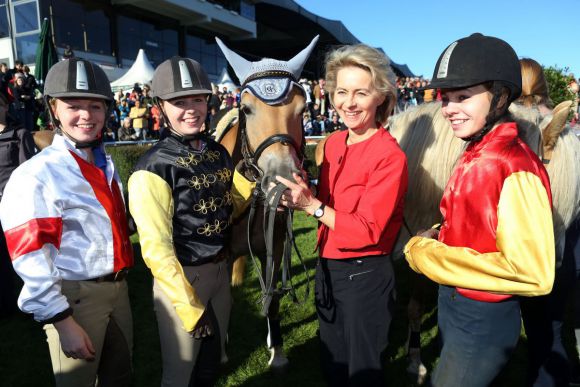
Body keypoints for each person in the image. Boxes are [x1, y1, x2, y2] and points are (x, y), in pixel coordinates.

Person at [404, 33, 555, 387]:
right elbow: (477, 221)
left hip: (480, 317)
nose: (448, 109)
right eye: (446, 98)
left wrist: (424, 252)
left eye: (463, 97)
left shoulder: (514, 164)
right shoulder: (476, 151)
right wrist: (441, 230)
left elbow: (533, 272)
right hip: (456, 304)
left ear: (502, 97)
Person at [276, 44, 408, 386]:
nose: (348, 103)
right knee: (333, 363)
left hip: (365, 274)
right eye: (342, 92)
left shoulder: (389, 156)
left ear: (380, 96)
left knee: (362, 371)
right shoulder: (333, 143)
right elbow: (330, 200)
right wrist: (301, 195)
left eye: (360, 93)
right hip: (328, 267)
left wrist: (313, 207)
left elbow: (367, 230)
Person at [0, 58, 134, 387]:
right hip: (74, 299)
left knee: (121, 377)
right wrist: (61, 321)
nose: (87, 115)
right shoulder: (36, 174)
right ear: (54, 109)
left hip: (119, 289)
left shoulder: (103, 160)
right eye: (74, 106)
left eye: (95, 106)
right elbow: (29, 255)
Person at [127, 56, 254, 386]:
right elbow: (155, 248)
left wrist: (251, 181)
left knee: (212, 365)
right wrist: (188, 306)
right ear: (161, 107)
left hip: (220, 274)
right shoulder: (151, 168)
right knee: (180, 375)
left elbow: (228, 208)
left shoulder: (217, 151)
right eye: (179, 102)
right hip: (182, 281)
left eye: (197, 99)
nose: (191, 109)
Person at [516, 57, 580, 387]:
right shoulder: (566, 133)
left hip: (533, 248)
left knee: (542, 334)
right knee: (552, 332)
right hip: (568, 247)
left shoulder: (512, 130)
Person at [0, 89, 36, 318]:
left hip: (11, 204)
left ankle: (33, 300)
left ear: (5, 106)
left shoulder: (19, 134)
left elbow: (28, 171)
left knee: (21, 256)